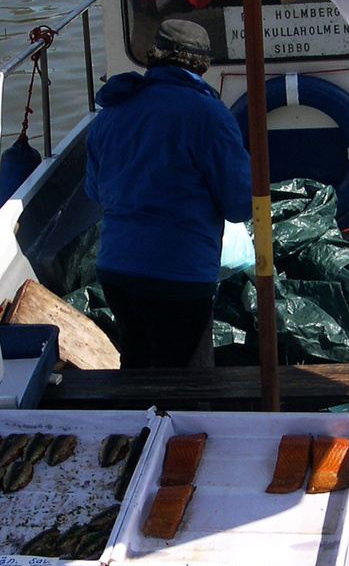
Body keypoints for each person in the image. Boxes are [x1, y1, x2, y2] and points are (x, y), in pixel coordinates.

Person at [85, 19, 252, 368]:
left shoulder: (111, 113)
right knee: (188, 391)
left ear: (153, 58)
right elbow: (239, 205)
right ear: (202, 65)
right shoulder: (209, 115)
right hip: (179, 277)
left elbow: (95, 191)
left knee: (137, 371)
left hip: (117, 270)